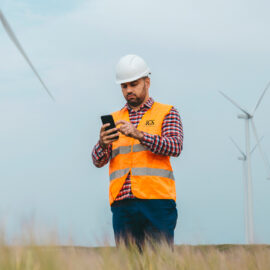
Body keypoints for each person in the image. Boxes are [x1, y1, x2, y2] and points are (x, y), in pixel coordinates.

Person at [92, 54, 183, 250]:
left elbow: (175, 146)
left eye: (133, 84)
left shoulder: (167, 112)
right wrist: (102, 143)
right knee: (129, 263)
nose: (128, 90)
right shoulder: (115, 119)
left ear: (147, 82)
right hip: (122, 204)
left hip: (157, 202)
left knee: (160, 262)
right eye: (124, 86)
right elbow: (97, 161)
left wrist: (139, 134)